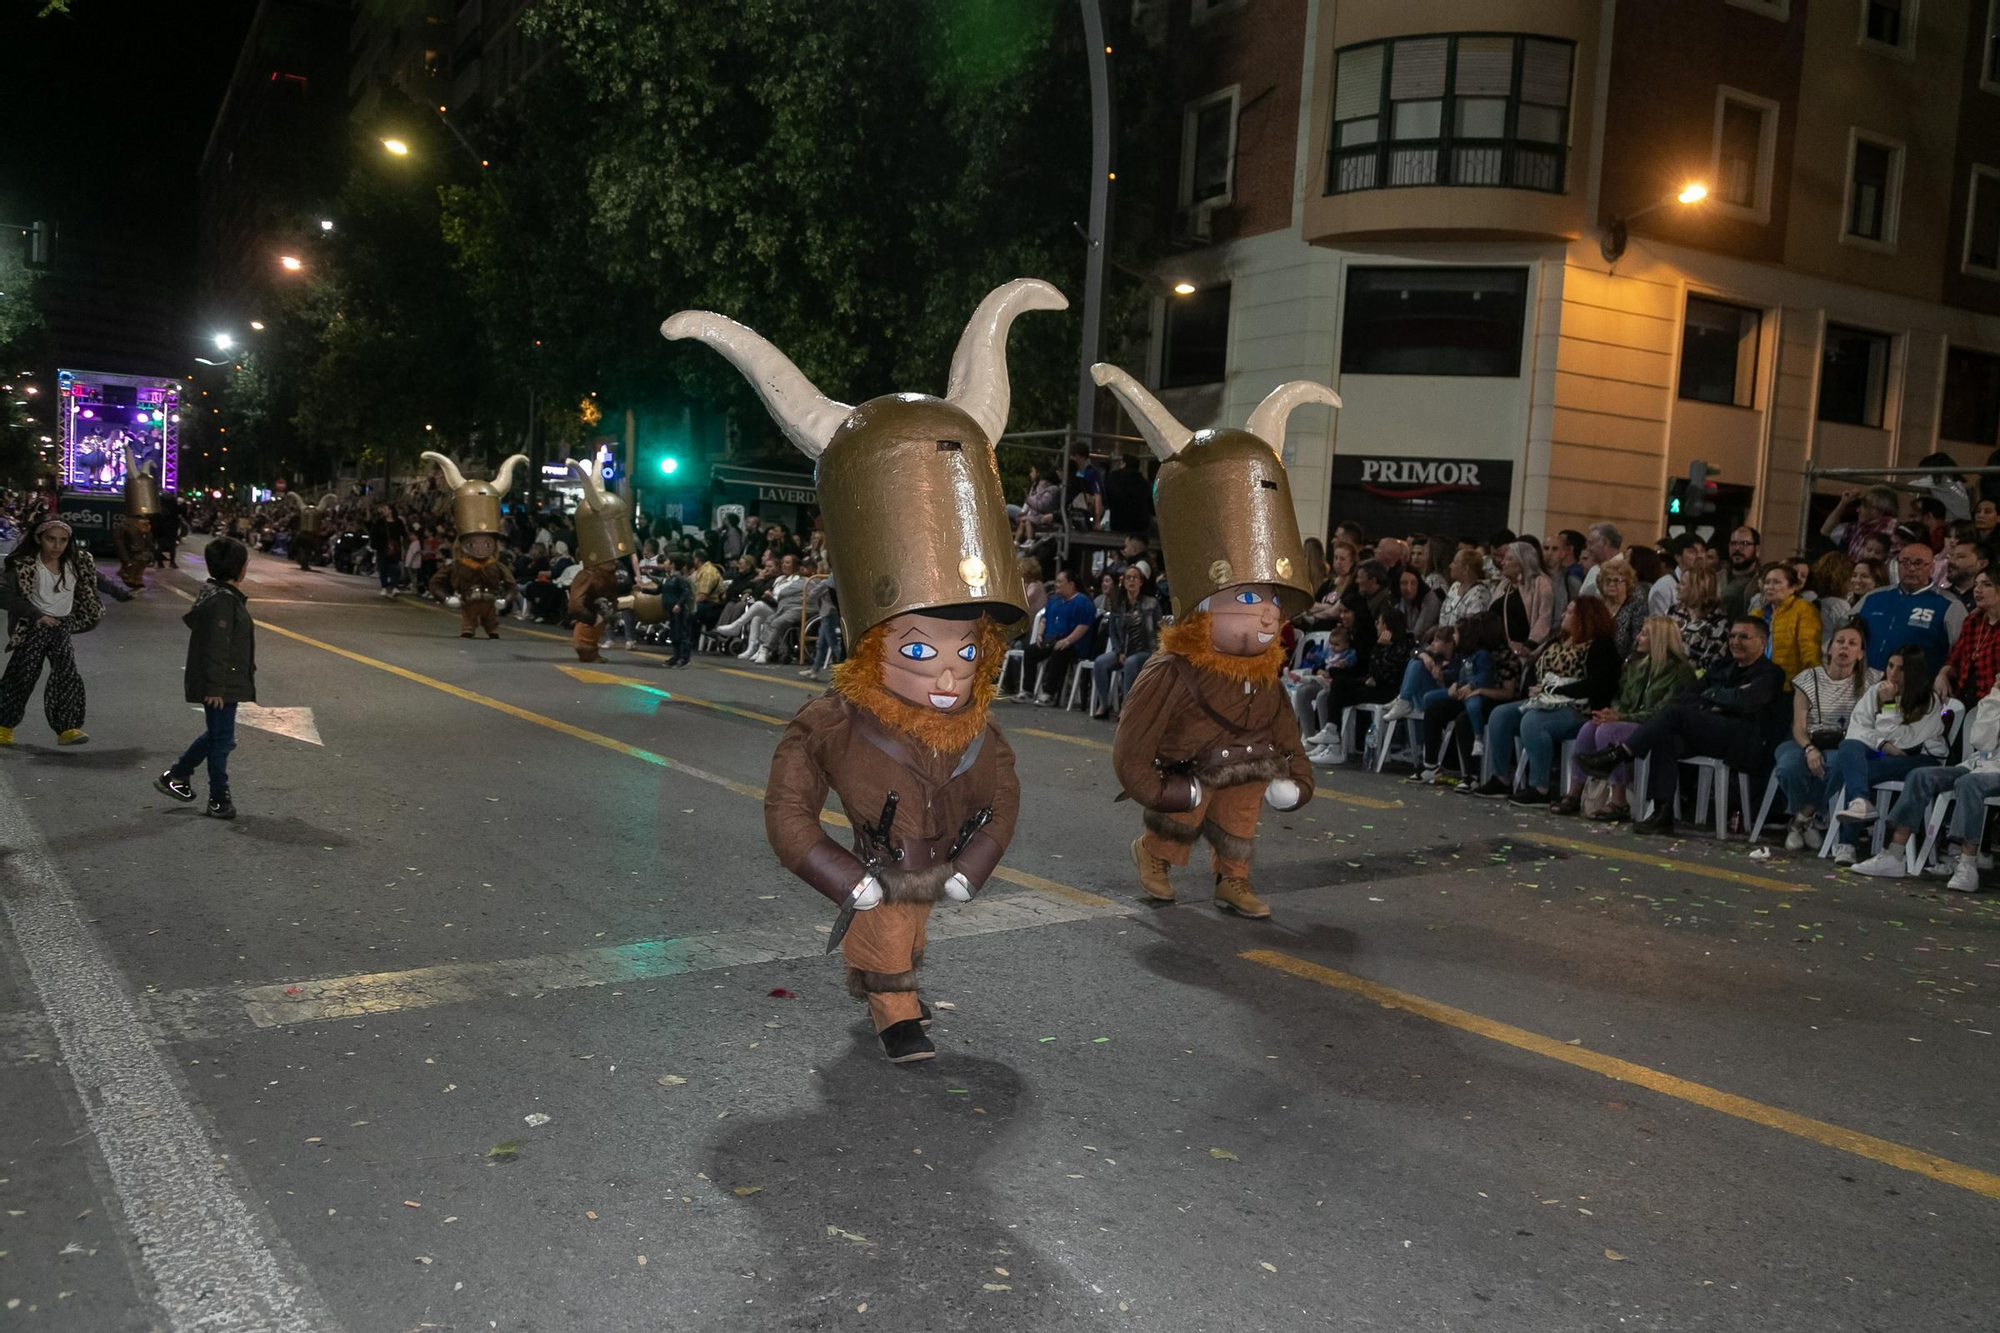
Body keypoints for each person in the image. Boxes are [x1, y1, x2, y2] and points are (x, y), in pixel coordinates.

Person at [673, 279, 1053, 1064]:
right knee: (892, 918)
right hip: (882, 867)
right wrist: (841, 874)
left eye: (965, 650)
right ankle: (893, 1002)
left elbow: (1003, 799)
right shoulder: (833, 724)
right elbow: (790, 811)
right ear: (877, 644)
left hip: (937, 861)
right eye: (920, 649)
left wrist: (974, 864)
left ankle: (887, 972)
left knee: (912, 907)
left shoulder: (979, 730)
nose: (948, 670)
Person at [1098, 365, 1326, 919]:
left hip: (1249, 760)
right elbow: (1133, 739)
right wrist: (1148, 782)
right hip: (1188, 767)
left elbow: (1283, 725)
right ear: (1207, 607)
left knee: (1241, 818)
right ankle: (1155, 856)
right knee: (1182, 820)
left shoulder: (1264, 668)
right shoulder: (1174, 668)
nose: (1269, 616)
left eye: (1271, 601)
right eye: (1249, 601)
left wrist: (1297, 775)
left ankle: (1234, 879)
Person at [1575, 616, 1788, 836]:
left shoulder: (1771, 673)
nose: (1735, 641)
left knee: (1674, 714)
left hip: (1742, 740)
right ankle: (1662, 812)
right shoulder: (1722, 666)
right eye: (1732, 636)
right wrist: (1717, 701)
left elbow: (1746, 701)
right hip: (1708, 731)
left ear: (1763, 641)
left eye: (1744, 636)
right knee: (1665, 734)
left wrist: (1713, 695)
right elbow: (1689, 697)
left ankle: (1619, 754)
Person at [1848, 673, 2000, 890]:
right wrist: (1995, 700)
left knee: (1969, 784)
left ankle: (1967, 864)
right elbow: (1980, 741)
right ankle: (1895, 854)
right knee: (1921, 775)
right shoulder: (1993, 700)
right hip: (1975, 765)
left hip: (1989, 773)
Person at [1470, 596, 1620, 804]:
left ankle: (1540, 787)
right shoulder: (1557, 640)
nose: (1563, 615)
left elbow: (1597, 685)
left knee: (1534, 721)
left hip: (1579, 707)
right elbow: (1534, 666)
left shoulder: (1601, 645)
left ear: (1585, 617)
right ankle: (1501, 777)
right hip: (1545, 699)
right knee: (1501, 714)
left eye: (1569, 612)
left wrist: (1555, 688)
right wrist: (1535, 687)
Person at [153, 536, 255, 820]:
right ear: (239, 567)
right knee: (221, 741)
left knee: (218, 737)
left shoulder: (219, 594)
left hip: (225, 681)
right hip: (221, 684)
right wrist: (215, 687)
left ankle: (177, 776)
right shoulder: (223, 600)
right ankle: (218, 798)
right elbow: (217, 647)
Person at [1557, 615, 1697, 820]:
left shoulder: (1681, 673)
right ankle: (1574, 792)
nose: (1638, 637)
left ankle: (1619, 800)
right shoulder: (1638, 667)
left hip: (1656, 727)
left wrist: (1621, 717)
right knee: (1589, 727)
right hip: (1629, 720)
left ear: (1658, 639)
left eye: (1643, 634)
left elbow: (1664, 712)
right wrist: (1610, 714)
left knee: (1608, 731)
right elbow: (1621, 697)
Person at [1822, 647, 1946, 865]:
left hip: (1920, 759)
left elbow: (1906, 741)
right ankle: (1860, 802)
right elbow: (1857, 728)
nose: (1893, 674)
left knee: (1857, 771)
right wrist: (1882, 743)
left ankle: (1847, 841)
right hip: (1886, 754)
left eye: (1901, 669)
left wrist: (1888, 706)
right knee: (1850, 746)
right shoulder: (1877, 690)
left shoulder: (1930, 700)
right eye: (1890, 666)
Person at [1770, 623, 1877, 851]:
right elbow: (1798, 726)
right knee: (1789, 766)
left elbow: (1888, 710)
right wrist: (1809, 749)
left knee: (1839, 762)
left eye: (1852, 643)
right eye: (1839, 642)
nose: (1844, 648)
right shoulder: (1808, 678)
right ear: (1829, 648)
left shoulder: (1872, 681)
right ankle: (1808, 822)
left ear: (1861, 654)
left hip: (1844, 744)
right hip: (1805, 738)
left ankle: (1800, 819)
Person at [0, 515, 103, 747]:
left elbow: (97, 581)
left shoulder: (77, 563)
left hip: (62, 625)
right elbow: (3, 593)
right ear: (39, 539)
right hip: (35, 626)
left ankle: (67, 728)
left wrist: (122, 593)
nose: (57, 546)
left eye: (63, 540)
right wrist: (36, 615)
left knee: (66, 674)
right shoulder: (25, 565)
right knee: (22, 674)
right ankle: (3, 726)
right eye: (51, 539)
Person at [421, 451, 529, 640]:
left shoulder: (496, 566)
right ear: (462, 543)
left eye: (487, 543)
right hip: (468, 602)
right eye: (472, 543)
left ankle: (490, 627)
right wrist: (447, 598)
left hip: (490, 603)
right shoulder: (458, 565)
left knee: (492, 626)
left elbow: (512, 586)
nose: (480, 548)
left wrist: (505, 600)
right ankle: (470, 626)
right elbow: (435, 583)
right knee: (468, 625)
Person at [1306, 606, 1414, 766]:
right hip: (1374, 684)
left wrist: (1380, 648)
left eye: (1379, 623)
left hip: (1389, 693)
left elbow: (1384, 674)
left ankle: (1334, 744)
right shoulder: (1385, 644)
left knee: (1340, 689)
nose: (1376, 626)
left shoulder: (1403, 646)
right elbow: (1373, 672)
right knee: (1339, 683)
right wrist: (1374, 674)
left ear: (1387, 627)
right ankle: (1331, 732)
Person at [1418, 612, 1519, 780]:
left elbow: (1508, 693)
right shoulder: (1471, 653)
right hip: (1469, 695)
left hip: (1494, 700)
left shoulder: (1505, 656)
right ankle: (1430, 764)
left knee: (1464, 720)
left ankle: (1470, 774)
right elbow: (1462, 676)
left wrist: (1479, 690)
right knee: (1435, 709)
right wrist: (1454, 686)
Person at [1853, 542, 1960, 671]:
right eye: (1905, 562)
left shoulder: (1948, 604)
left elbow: (1959, 651)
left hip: (1916, 685)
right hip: (1865, 680)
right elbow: (1846, 631)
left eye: (1918, 563)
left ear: (1932, 568)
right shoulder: (1873, 597)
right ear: (1897, 565)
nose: (1911, 568)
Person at [1090, 565, 1160, 719]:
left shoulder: (1151, 603)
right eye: (1128, 577)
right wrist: (1119, 650)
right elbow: (1113, 632)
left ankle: (1127, 706)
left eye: (1135, 577)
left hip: (1146, 650)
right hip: (1123, 649)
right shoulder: (1118, 604)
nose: (1131, 581)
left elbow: (1159, 628)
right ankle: (1104, 704)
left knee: (1130, 662)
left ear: (1141, 582)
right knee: (1100, 662)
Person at [1018, 568, 1094, 704]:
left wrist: (1067, 640)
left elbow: (1083, 626)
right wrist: (1040, 635)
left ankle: (1048, 694)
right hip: (1051, 640)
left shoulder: (1083, 602)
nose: (1056, 584)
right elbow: (1044, 619)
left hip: (1073, 644)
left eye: (1060, 582)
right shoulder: (1054, 600)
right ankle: (1027, 691)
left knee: (1060, 650)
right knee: (1030, 651)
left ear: (1071, 584)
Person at [1940, 569, 2000, 704]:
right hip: (1965, 699)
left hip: (1993, 704)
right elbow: (1954, 658)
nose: (1977, 590)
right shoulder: (1972, 621)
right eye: (1976, 585)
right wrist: (1942, 675)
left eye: (1986, 584)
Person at [1759, 561, 1822, 685]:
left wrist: (1811, 683)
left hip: (1789, 686)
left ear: (1793, 587)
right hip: (1759, 683)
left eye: (1776, 582)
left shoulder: (1804, 609)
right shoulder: (1757, 614)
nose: (1770, 587)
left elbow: (1809, 649)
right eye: (1767, 582)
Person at [1495, 540, 1553, 659]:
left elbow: (1544, 617)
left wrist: (1529, 645)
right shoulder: (1504, 585)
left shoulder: (1541, 583)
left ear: (1523, 561)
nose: (1503, 562)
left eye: (1509, 559)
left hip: (1528, 651)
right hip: (1503, 650)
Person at [1668, 564, 1729, 675]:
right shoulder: (1674, 612)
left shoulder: (1717, 623)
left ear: (1697, 587)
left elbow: (1710, 663)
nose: (1677, 587)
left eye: (1682, 583)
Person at [1822, 486, 1901, 561]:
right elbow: (1826, 531)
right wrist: (1843, 503)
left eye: (1864, 505)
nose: (1858, 510)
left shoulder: (1895, 533)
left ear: (1877, 510)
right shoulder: (1859, 528)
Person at [1591, 555, 1647, 660]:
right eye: (1607, 580)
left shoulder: (1636, 607)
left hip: (1623, 663)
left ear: (1627, 584)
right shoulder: (1596, 607)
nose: (1612, 584)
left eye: (1617, 580)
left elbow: (1636, 642)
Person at [1648, 533, 1706, 615]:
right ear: (1678, 557)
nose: (1700, 556)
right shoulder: (1664, 586)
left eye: (1702, 551)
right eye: (1692, 552)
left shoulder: (1707, 583)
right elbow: (1658, 624)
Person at [1438, 547, 1492, 628]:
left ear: (1465, 569)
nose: (1450, 566)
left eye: (1455, 562)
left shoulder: (1480, 594)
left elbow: (1472, 627)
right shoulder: (1454, 586)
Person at [1102, 452, 1154, 535]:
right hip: (1140, 525)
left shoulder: (1113, 478)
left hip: (1117, 523)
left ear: (1124, 464)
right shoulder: (1143, 482)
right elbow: (1150, 504)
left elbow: (1105, 496)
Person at [1720, 525, 1762, 619]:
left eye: (1744, 543)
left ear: (1757, 549)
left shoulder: (1764, 580)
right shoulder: (1717, 579)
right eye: (1733, 543)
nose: (1737, 548)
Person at [1393, 566, 1441, 641]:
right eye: (1404, 583)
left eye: (1413, 583)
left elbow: (1418, 633)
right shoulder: (1397, 602)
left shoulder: (1429, 598)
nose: (1408, 588)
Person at [369, 503, 408, 597]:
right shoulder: (380, 522)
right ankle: (384, 587)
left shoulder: (398, 522)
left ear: (391, 510)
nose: (383, 510)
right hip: (382, 548)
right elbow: (374, 534)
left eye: (385, 508)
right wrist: (375, 546)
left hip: (395, 548)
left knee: (395, 568)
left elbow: (403, 534)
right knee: (383, 568)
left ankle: (394, 586)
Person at [1577, 522, 1622, 596]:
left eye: (1591, 544)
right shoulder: (1594, 569)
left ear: (1604, 543)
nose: (1588, 548)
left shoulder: (1624, 571)